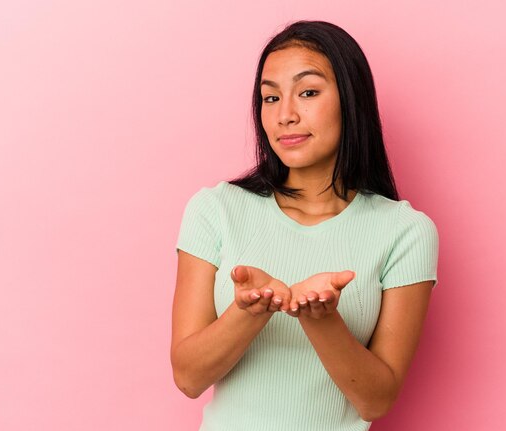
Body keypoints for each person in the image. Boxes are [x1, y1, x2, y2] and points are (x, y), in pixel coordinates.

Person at [170, 20, 439, 431]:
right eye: (270, 97)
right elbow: (188, 377)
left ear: (351, 100)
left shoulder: (405, 231)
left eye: (308, 92)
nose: (285, 115)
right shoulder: (216, 209)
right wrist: (251, 310)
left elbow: (377, 399)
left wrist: (320, 318)